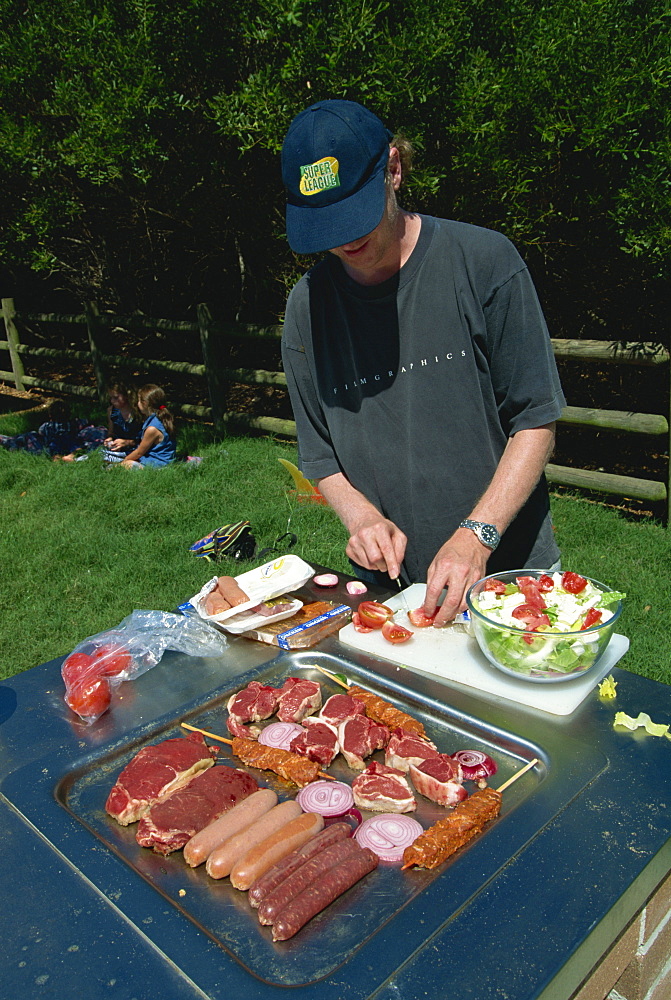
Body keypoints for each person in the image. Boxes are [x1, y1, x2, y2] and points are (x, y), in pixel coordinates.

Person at [280, 99, 566, 626]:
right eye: (328, 225)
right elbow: (319, 455)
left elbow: (537, 420)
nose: (346, 239)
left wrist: (477, 536)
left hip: (512, 582)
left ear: (393, 168)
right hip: (390, 593)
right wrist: (360, 516)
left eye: (354, 213)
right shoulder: (306, 308)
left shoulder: (484, 262)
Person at [120, 384, 176, 468]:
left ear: (145, 403)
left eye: (139, 400)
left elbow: (139, 452)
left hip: (158, 464)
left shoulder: (152, 428)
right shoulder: (161, 418)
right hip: (161, 459)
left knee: (126, 464)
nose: (137, 403)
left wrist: (124, 461)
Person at [102, 381, 142, 458]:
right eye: (111, 398)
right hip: (119, 448)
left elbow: (145, 439)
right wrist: (110, 439)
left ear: (126, 395)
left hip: (138, 448)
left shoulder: (138, 412)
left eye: (116, 398)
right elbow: (111, 432)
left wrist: (128, 442)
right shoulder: (112, 411)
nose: (112, 401)